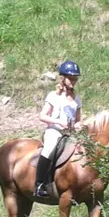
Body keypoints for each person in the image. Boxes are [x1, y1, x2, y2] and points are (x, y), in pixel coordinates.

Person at [35, 60, 83, 197]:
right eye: (71, 78)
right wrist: (58, 122)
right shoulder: (53, 96)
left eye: (75, 79)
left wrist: (78, 125)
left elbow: (79, 119)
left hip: (70, 133)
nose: (73, 81)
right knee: (50, 148)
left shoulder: (76, 99)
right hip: (54, 131)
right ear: (62, 78)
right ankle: (39, 184)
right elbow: (42, 116)